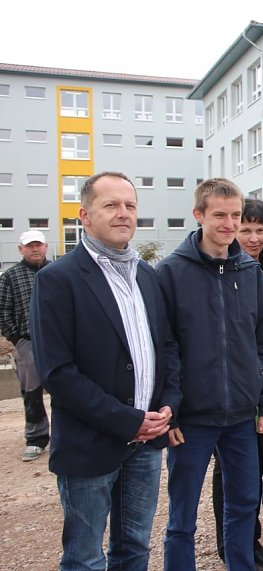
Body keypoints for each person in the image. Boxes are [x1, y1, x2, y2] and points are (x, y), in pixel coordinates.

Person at [30, 171, 181, 570]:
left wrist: (168, 404)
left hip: (146, 442)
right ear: (85, 214)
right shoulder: (57, 280)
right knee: (85, 557)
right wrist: (126, 421)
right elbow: (58, 372)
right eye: (111, 205)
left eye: (130, 206)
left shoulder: (147, 276)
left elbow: (165, 347)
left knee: (134, 547)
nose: (123, 213)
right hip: (91, 442)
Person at [157, 178, 263, 570]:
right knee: (183, 515)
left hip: (242, 416)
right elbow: (165, 347)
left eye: (235, 216)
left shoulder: (250, 272)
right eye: (220, 215)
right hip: (191, 418)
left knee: (243, 505)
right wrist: (170, 409)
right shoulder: (171, 273)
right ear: (199, 215)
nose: (230, 224)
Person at [210, 197, 263, 568]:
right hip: (230, 390)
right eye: (245, 228)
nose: (251, 236)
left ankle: (252, 536)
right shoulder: (224, 264)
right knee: (232, 475)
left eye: (258, 230)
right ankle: (237, 542)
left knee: (259, 468)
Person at [0, 230, 50, 462]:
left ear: (46, 247)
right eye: (29, 246)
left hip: (59, 342)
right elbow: (3, 311)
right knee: (32, 393)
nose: (35, 249)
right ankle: (36, 438)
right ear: (21, 249)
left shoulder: (58, 273)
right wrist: (16, 337)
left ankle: (62, 436)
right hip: (27, 342)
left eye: (38, 245)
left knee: (67, 389)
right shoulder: (10, 276)